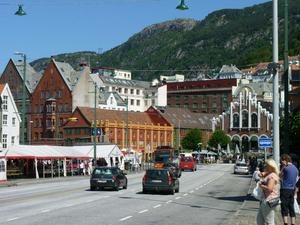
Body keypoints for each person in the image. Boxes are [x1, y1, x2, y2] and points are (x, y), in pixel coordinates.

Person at [256, 158, 280, 225]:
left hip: (269, 200)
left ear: (270, 166)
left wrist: (261, 186)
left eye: (266, 165)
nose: (265, 166)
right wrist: (262, 175)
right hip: (265, 200)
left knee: (269, 221)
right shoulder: (270, 174)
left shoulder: (272, 176)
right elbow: (262, 175)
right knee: (260, 220)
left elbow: (270, 189)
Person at [280, 154, 299, 225]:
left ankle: (285, 223)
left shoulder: (285, 168)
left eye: (282, 161)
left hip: (285, 189)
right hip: (292, 189)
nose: (281, 162)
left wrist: (283, 167)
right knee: (291, 207)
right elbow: (297, 179)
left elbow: (279, 175)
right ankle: (293, 223)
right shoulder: (296, 168)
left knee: (284, 207)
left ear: (285, 160)